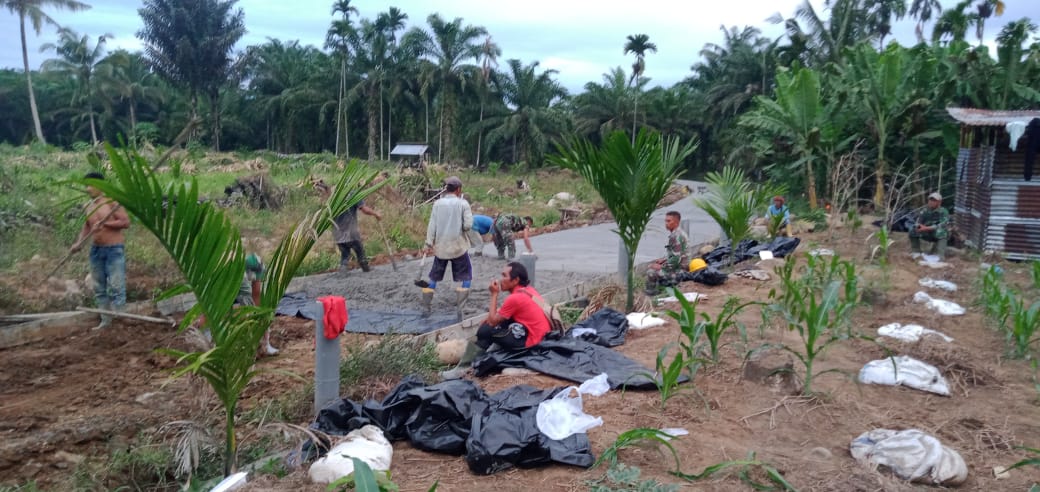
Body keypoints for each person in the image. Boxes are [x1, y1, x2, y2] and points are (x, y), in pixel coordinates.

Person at [440, 262, 549, 380]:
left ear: (516, 280)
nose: (501, 280)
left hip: (531, 344)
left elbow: (492, 322)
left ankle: (462, 369)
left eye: (504, 276)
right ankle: (482, 356)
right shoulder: (528, 290)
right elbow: (501, 314)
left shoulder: (515, 298)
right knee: (494, 325)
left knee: (485, 330)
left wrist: (494, 294)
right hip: (541, 340)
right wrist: (488, 319)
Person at [70, 172, 131, 330]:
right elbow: (87, 227)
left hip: (113, 249)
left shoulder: (111, 202)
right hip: (96, 250)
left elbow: (125, 222)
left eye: (90, 185)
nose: (88, 189)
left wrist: (105, 224)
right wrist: (79, 244)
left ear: (99, 186)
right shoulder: (88, 205)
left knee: (117, 286)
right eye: (86, 186)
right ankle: (105, 321)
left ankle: (121, 322)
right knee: (99, 287)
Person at [422, 176, 474, 316]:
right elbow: (468, 225)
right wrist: (462, 227)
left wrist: (428, 243)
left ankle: (426, 306)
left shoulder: (437, 204)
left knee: (434, 277)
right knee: (466, 276)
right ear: (458, 190)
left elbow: (432, 225)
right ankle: (461, 308)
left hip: (441, 247)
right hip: (458, 247)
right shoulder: (463, 204)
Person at [240, 253, 279, 356]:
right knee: (246, 312)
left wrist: (259, 313)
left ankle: (265, 345)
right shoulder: (240, 275)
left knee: (260, 311)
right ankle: (249, 347)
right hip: (231, 279)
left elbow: (257, 293)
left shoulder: (259, 267)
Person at [332, 200, 382, 275]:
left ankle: (343, 269)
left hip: (338, 234)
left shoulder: (333, 196)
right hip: (351, 232)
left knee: (345, 254)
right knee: (360, 251)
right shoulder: (353, 194)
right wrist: (376, 214)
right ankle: (365, 268)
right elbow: (365, 210)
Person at [645, 210, 689, 295]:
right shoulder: (679, 233)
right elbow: (676, 254)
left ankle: (651, 297)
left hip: (680, 272)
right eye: (665, 221)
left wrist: (661, 267)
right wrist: (664, 260)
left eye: (669, 221)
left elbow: (676, 259)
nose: (666, 223)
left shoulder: (676, 236)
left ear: (676, 222)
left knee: (651, 272)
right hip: (681, 269)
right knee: (655, 266)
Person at [910, 192, 950, 259]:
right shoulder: (924, 211)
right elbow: (918, 222)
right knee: (913, 230)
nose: (931, 202)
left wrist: (926, 228)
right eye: (930, 200)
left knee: (941, 232)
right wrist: (918, 227)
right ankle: (916, 252)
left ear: (939, 202)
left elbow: (941, 225)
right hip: (927, 233)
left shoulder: (943, 212)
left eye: (934, 200)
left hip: (938, 234)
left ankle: (940, 256)